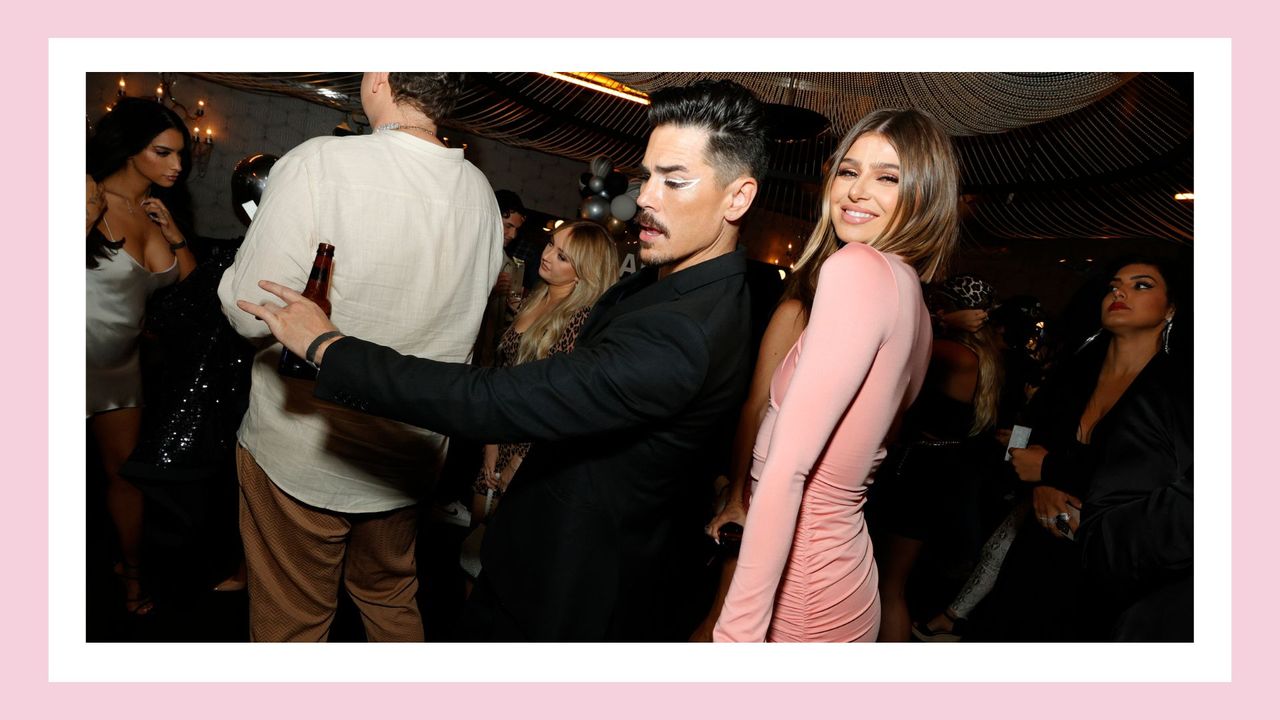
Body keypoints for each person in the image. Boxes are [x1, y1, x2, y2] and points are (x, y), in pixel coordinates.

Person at [235, 78, 767, 641]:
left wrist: (326, 347)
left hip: (568, 593)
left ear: (738, 197)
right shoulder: (683, 287)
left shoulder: (684, 333)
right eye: (647, 176)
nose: (646, 198)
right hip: (548, 557)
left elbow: (494, 399)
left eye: (675, 181)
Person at [217, 72, 503, 642]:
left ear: (381, 76)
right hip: (411, 452)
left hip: (305, 450)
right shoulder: (482, 195)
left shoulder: (321, 162)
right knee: (389, 597)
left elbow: (249, 311)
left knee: (294, 622)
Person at [713, 108, 959, 642]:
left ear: (924, 194)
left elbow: (786, 472)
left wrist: (735, 639)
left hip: (800, 585)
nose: (857, 191)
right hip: (841, 573)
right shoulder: (908, 292)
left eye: (888, 177)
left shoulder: (857, 271)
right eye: (848, 172)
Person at [968, 258, 1188, 641]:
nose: (1119, 292)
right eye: (1114, 285)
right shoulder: (1073, 373)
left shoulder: (1179, 388)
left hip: (1109, 564)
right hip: (1037, 545)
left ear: (1170, 309)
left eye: (1141, 286)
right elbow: (1019, 443)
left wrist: (1052, 470)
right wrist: (1035, 484)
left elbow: (1167, 484)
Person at [461, 221, 620, 581]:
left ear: (584, 272)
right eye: (550, 245)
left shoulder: (580, 321)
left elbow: (560, 402)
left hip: (533, 452)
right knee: (471, 555)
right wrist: (489, 441)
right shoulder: (538, 293)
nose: (547, 256)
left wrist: (519, 462)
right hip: (498, 434)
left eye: (562, 256)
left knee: (503, 567)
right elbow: (502, 375)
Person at [86, 97, 196, 617]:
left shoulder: (157, 211)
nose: (177, 165)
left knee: (127, 477)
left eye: (181, 155)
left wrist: (177, 238)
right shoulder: (85, 195)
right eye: (164, 152)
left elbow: (191, 292)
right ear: (131, 150)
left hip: (121, 369)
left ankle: (131, 575)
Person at [875, 274, 1005, 642]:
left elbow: (896, 344)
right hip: (937, 473)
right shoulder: (984, 353)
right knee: (891, 584)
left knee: (889, 586)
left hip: (920, 476)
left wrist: (941, 323)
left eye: (942, 306)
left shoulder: (951, 352)